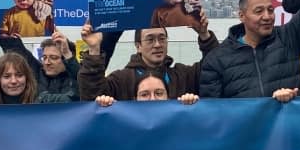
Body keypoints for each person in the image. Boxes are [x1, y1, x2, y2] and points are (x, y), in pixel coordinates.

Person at [79, 14, 218, 102]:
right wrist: (94, 48)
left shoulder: (184, 75)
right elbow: (91, 95)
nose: (157, 45)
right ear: (138, 46)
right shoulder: (120, 80)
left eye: (162, 38)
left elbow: (215, 67)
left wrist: (204, 35)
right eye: (150, 39)